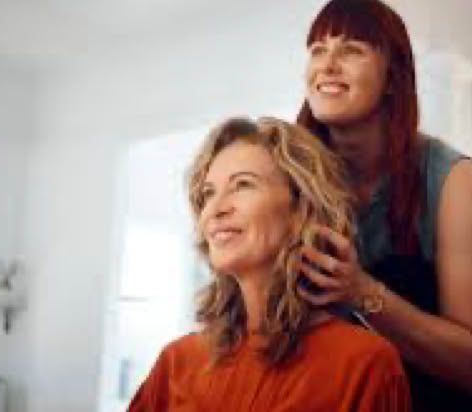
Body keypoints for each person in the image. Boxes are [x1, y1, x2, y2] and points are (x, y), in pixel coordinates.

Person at [294, 0, 472, 411]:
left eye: (351, 50)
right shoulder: (292, 184)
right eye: (318, 50)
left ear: (392, 79)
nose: (327, 65)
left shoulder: (454, 181)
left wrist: (360, 291)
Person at [127, 117, 410, 412]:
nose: (216, 209)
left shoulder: (365, 365)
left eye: (243, 185)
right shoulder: (176, 364)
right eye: (208, 193)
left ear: (301, 209)